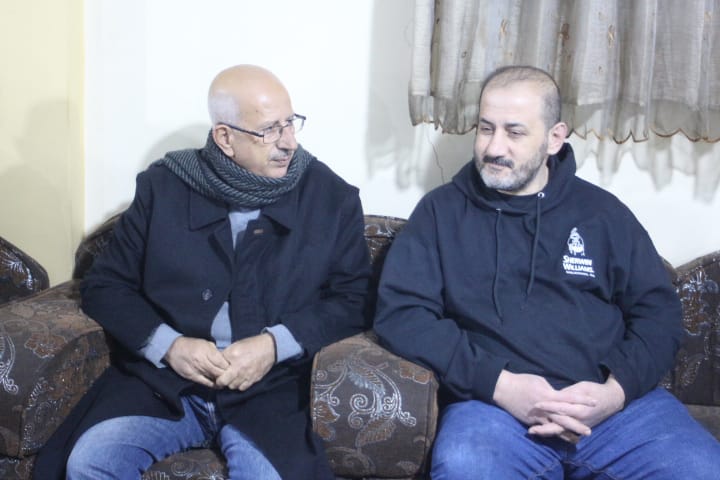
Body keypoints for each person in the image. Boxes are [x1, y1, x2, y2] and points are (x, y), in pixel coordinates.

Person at [373, 65, 720, 479]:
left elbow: (659, 314)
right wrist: (500, 385)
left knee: (701, 468)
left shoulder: (603, 214)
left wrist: (615, 392)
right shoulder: (440, 212)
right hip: (494, 410)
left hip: (615, 412)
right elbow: (403, 314)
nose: (494, 147)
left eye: (514, 132)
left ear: (555, 138)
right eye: (486, 128)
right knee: (467, 465)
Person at [33, 64, 371, 480]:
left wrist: (273, 345)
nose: (289, 142)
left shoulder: (331, 198)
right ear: (225, 137)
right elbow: (106, 286)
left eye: (290, 123)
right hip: (164, 384)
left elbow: (354, 299)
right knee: (90, 461)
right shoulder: (163, 187)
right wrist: (169, 346)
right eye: (269, 130)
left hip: (271, 389)